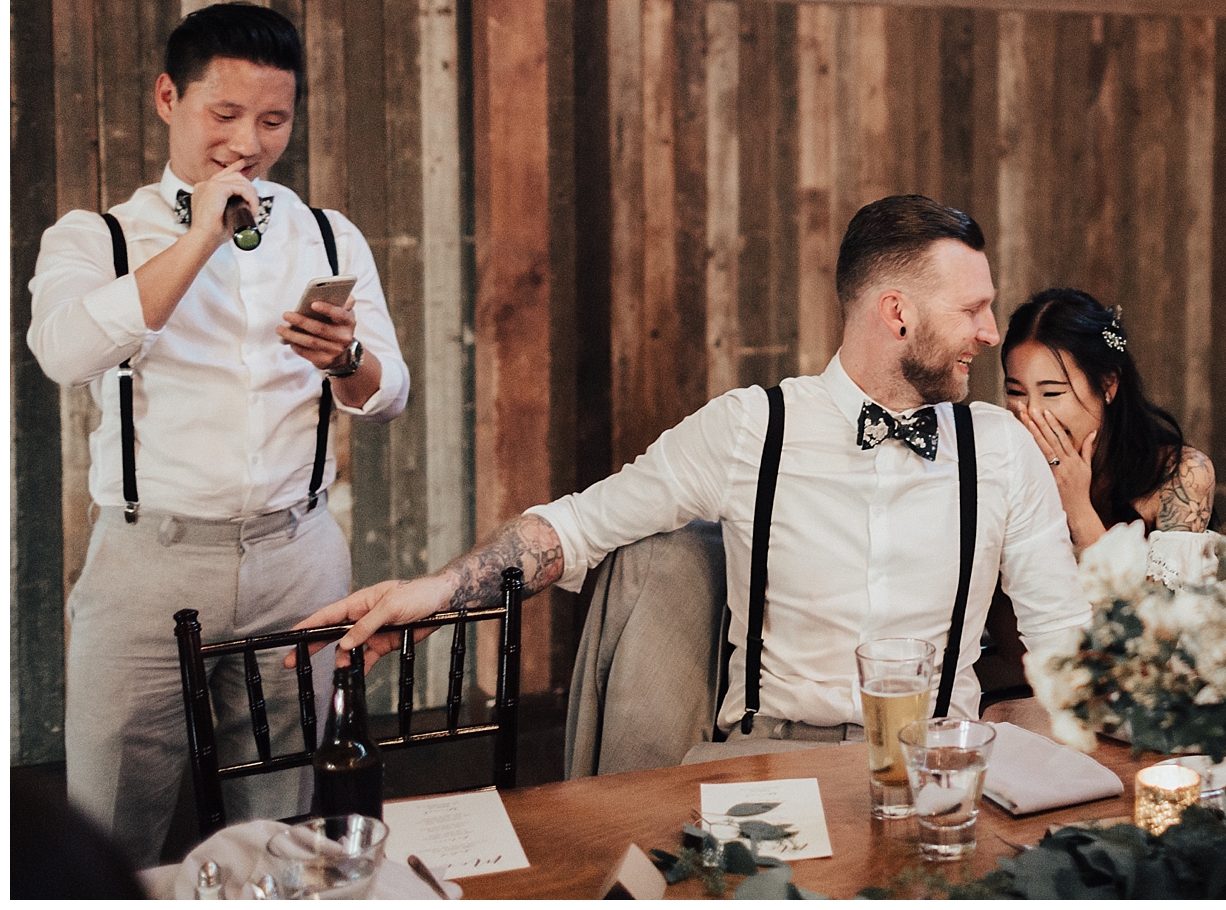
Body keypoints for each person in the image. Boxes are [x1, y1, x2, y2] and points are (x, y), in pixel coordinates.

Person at [294, 195, 1089, 760]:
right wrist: (437, 592)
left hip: (937, 768)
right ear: (897, 313)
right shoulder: (750, 428)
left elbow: (1062, 642)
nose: (992, 332)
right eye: (973, 310)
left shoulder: (1000, 449)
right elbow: (574, 528)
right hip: (768, 765)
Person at [27, 3, 408, 864]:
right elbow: (66, 352)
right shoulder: (97, 236)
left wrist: (346, 359)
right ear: (169, 98)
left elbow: (389, 395)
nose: (248, 143)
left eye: (273, 121)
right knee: (113, 827)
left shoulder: (326, 233)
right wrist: (203, 234)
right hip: (148, 563)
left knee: (282, 823)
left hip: (298, 556)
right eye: (225, 115)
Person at [1001, 288, 1215, 584]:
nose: (1031, 413)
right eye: (1016, 392)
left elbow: (1159, 610)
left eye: (1052, 393)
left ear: (1107, 385)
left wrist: (1077, 508)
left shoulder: (1181, 473)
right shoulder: (1002, 465)